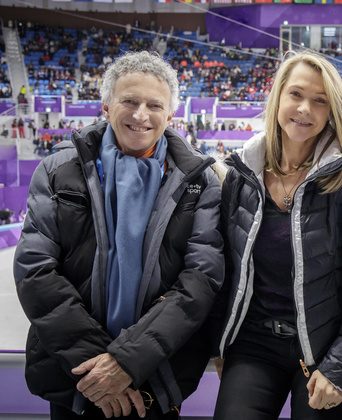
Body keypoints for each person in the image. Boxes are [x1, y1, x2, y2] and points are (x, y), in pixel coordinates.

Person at [14, 51, 226, 420]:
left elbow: (201, 280)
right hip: (76, 376)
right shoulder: (58, 168)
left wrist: (129, 363)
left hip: (156, 378)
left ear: (171, 114)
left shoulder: (200, 180)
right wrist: (97, 365)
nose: (140, 114)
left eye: (154, 104)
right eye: (129, 101)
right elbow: (34, 268)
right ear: (107, 107)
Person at [213, 51, 342, 420]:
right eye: (296, 94)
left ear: (332, 112)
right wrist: (218, 341)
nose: (305, 109)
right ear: (278, 96)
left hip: (326, 350)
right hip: (254, 345)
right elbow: (226, 269)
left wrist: (341, 367)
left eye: (320, 100)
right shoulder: (242, 174)